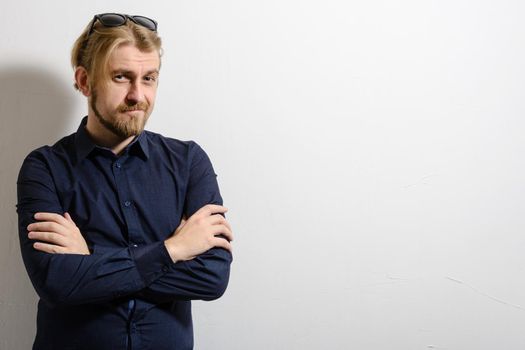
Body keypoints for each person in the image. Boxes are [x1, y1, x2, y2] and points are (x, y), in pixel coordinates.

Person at [16, 13, 233, 350]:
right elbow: (56, 283)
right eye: (121, 77)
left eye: (149, 78)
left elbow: (212, 277)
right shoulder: (44, 168)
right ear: (85, 81)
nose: (138, 95)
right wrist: (173, 249)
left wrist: (92, 259)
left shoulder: (189, 162)